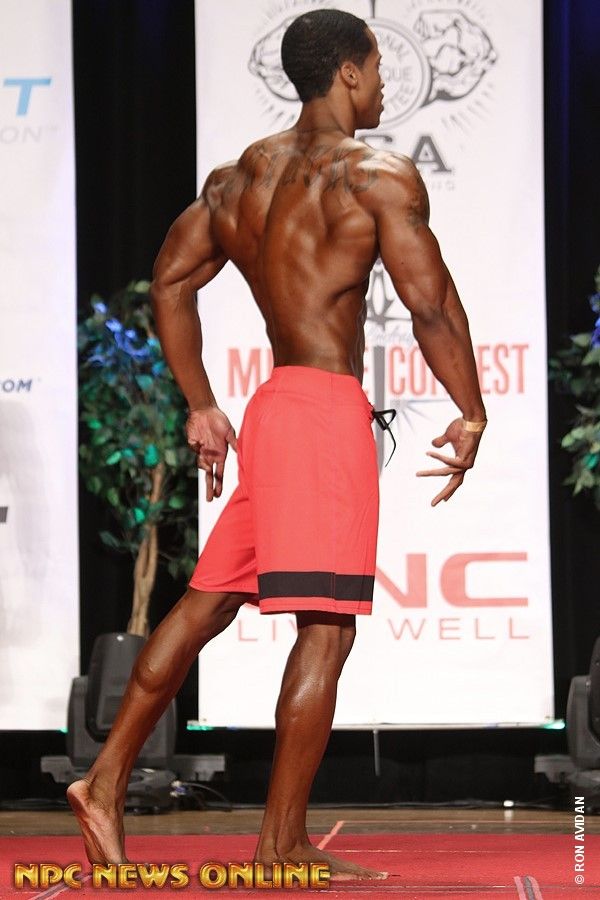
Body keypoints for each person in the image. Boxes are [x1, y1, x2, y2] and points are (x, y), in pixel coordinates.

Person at [67, 8, 486, 880]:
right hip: (323, 415)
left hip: (272, 410)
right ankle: (280, 844)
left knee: (204, 605)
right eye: (376, 68)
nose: (383, 85)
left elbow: (170, 280)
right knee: (326, 630)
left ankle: (102, 785)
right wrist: (471, 409)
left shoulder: (237, 181)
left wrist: (202, 403)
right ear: (347, 72)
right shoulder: (378, 177)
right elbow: (431, 304)